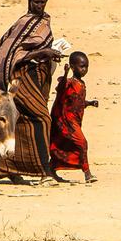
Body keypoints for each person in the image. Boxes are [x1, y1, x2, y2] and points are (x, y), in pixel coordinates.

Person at [0, 0, 63, 184]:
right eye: (36, 2)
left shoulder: (43, 22)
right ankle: (44, 171)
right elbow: (14, 52)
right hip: (18, 78)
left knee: (23, 122)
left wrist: (51, 54)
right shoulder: (24, 23)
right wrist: (43, 52)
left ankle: (10, 169)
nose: (39, 6)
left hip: (35, 77)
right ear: (28, 0)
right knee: (43, 119)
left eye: (43, 2)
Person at [49, 51, 99, 183]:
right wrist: (65, 74)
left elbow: (77, 102)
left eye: (86, 67)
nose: (84, 70)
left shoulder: (81, 83)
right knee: (82, 143)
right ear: (72, 67)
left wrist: (89, 103)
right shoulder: (69, 82)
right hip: (65, 121)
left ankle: (51, 168)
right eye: (81, 66)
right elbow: (61, 88)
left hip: (75, 121)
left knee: (62, 145)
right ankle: (87, 173)